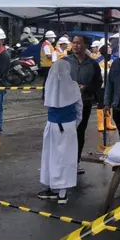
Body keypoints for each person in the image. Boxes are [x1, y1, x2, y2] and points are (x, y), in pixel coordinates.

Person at [37, 59, 82, 205]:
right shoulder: (73, 86)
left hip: (52, 126)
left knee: (51, 157)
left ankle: (52, 187)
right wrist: (74, 124)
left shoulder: (49, 85)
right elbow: (79, 109)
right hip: (68, 127)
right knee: (65, 159)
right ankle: (61, 192)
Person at [64, 35, 103, 174]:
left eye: (78, 43)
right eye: (73, 43)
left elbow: (98, 82)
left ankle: (76, 162)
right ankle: (64, 162)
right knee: (65, 133)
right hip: (66, 103)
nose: (75, 45)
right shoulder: (64, 62)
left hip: (85, 102)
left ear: (86, 45)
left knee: (79, 132)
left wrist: (87, 88)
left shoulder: (92, 64)